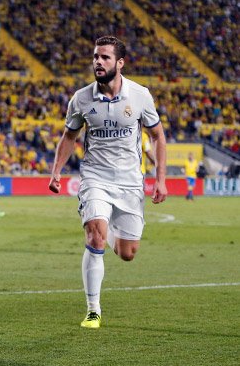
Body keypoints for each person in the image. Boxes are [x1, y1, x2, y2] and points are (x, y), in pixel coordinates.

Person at [48, 36, 167, 329]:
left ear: (120, 63)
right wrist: (56, 172)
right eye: (95, 57)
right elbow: (69, 136)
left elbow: (157, 136)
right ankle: (93, 310)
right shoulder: (81, 98)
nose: (98, 62)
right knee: (94, 235)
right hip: (95, 177)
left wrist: (160, 179)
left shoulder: (140, 95)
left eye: (104, 57)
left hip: (129, 182)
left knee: (128, 254)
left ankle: (109, 231)